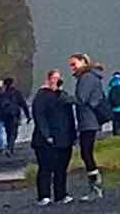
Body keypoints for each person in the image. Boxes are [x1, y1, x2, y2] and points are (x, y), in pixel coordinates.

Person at [31, 69, 76, 206]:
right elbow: (39, 116)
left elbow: (70, 116)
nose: (56, 81)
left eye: (59, 78)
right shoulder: (41, 96)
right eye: (54, 78)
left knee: (61, 168)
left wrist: (73, 135)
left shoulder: (62, 95)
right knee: (45, 167)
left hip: (64, 138)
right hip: (45, 140)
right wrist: (46, 135)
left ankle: (61, 194)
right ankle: (44, 196)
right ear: (48, 79)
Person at [69, 54, 106, 200]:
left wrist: (63, 98)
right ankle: (95, 187)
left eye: (74, 64)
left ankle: (96, 188)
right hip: (88, 121)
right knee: (86, 153)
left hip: (88, 121)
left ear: (84, 62)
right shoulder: (89, 77)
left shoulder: (87, 78)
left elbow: (81, 99)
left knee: (86, 153)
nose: (72, 67)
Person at [0, 76, 30, 157]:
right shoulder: (17, 93)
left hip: (6, 116)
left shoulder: (3, 94)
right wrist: (28, 116)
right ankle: (10, 148)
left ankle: (10, 148)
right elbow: (23, 104)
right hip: (15, 115)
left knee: (8, 132)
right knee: (14, 133)